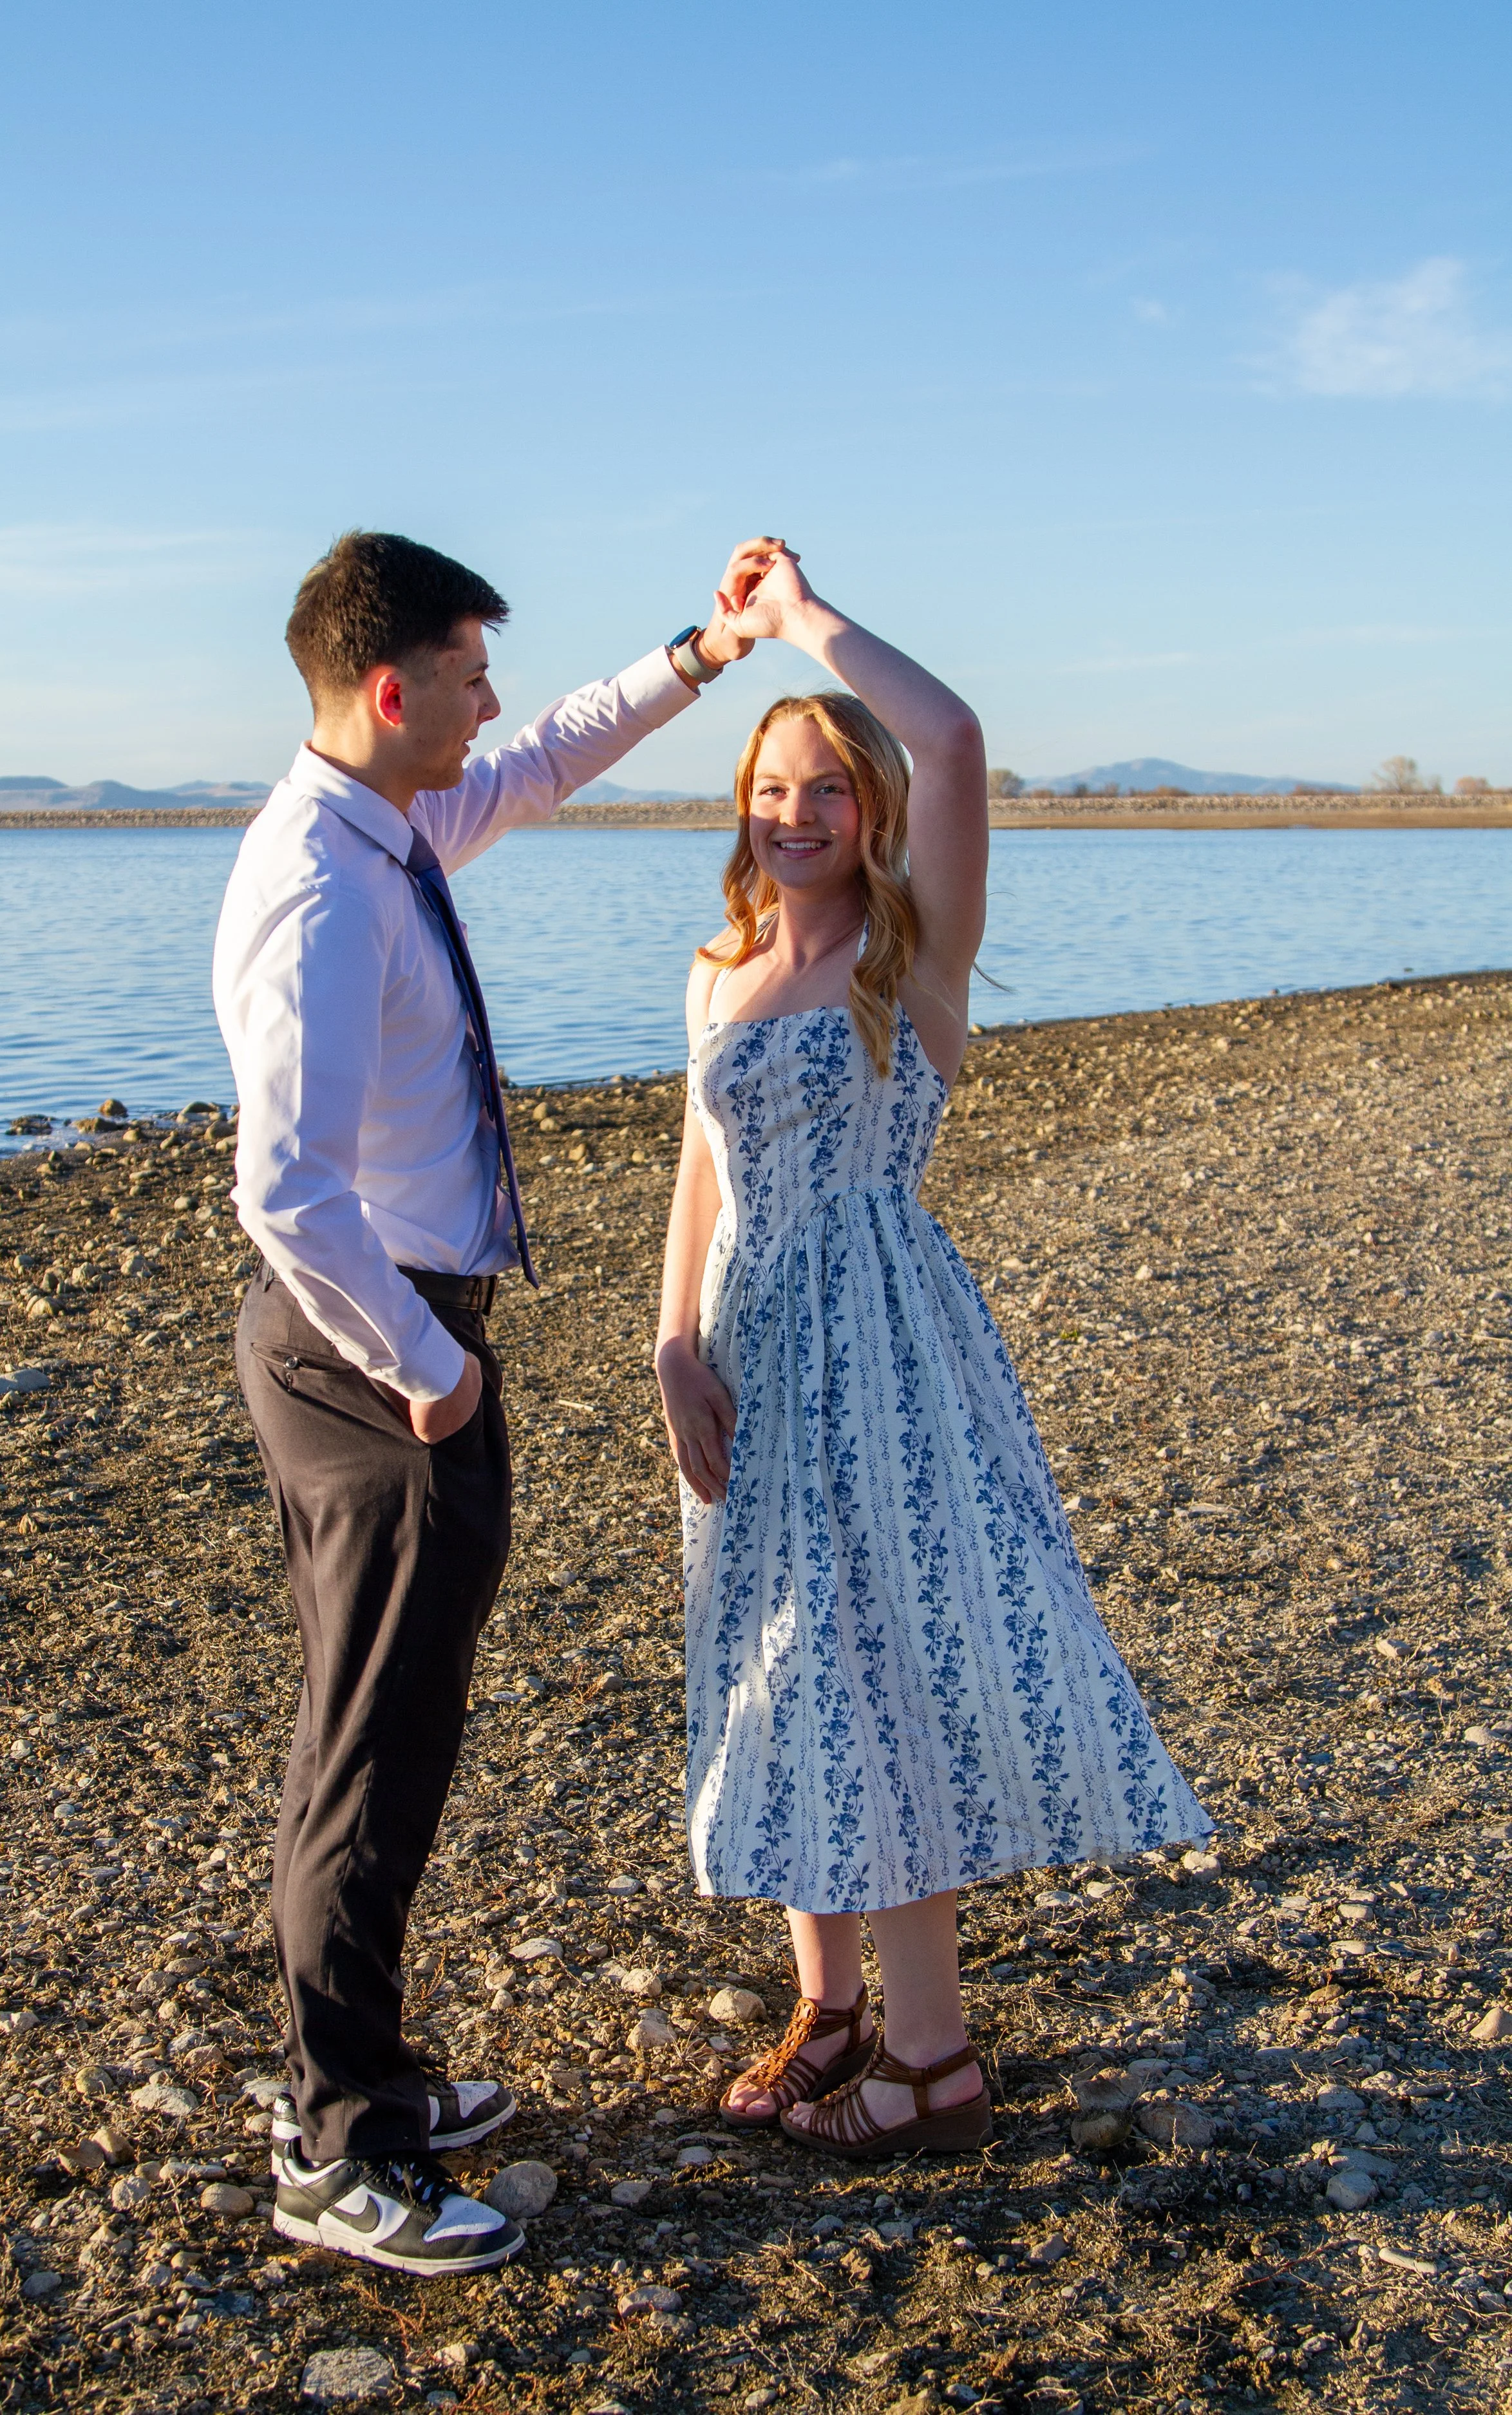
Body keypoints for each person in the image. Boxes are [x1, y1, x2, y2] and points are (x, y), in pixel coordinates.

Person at [214, 528, 770, 2273]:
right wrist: (436, 1372)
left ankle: (353, 2062)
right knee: (374, 1754)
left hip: (393, 1340)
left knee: (375, 1728)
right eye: (467, 670)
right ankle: (340, 2148)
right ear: (389, 687)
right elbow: (282, 1191)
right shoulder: (319, 876)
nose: (492, 700)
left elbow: (540, 764)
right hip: (374, 1351)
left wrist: (700, 652)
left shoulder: (389, 825)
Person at [653, 544, 1209, 2159]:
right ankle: (827, 2013)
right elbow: (696, 1169)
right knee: (768, 1662)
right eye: (770, 784)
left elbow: (957, 735)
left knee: (872, 1663)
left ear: (875, 810)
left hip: (881, 1344)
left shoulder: (915, 957)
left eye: (827, 786)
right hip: (747, 1348)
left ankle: (933, 2056)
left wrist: (794, 621)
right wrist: (672, 1339)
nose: (795, 811)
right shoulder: (719, 967)